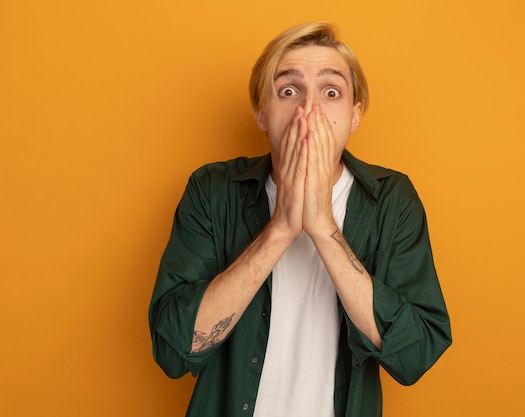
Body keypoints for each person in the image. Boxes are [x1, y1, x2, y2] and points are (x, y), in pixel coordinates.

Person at [148, 21, 451, 417]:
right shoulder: (212, 189)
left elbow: (415, 355)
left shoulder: (392, 200)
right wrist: (279, 229)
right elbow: (176, 350)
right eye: (288, 91)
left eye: (331, 92)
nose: (309, 109)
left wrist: (324, 227)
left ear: (355, 114)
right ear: (261, 113)